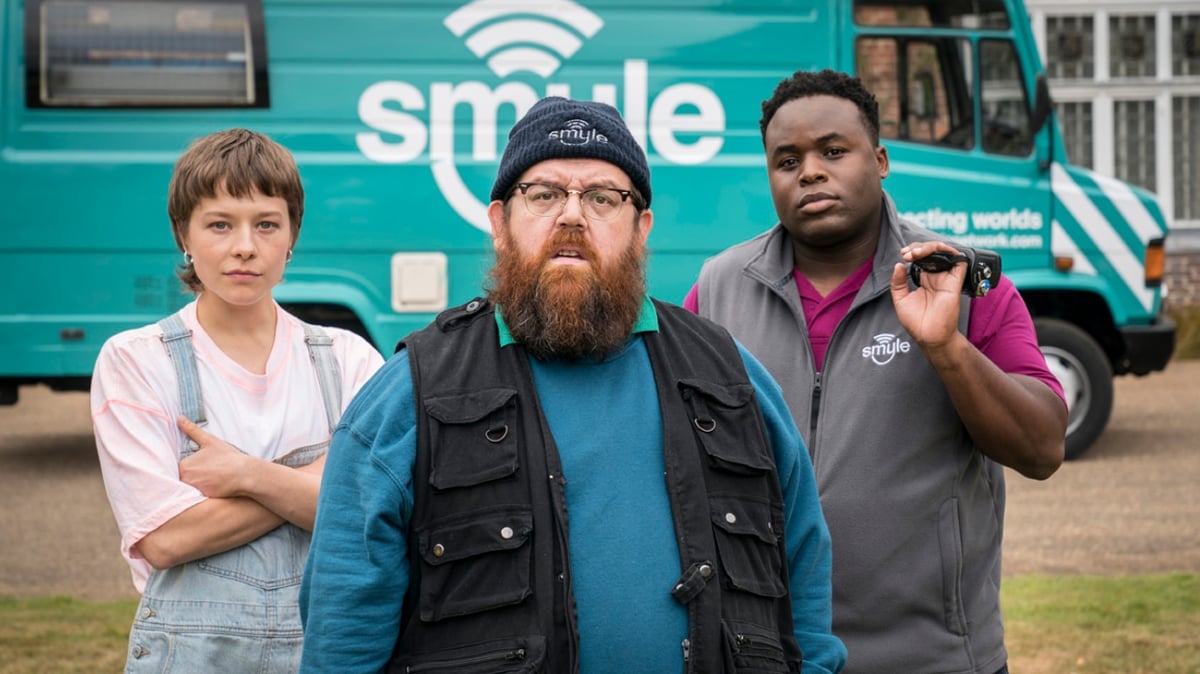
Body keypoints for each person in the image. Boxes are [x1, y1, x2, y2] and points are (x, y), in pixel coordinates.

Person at [299, 96, 848, 674]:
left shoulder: (732, 380)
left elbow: (804, 598)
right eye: (543, 194)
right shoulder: (410, 396)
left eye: (602, 198)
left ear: (641, 229)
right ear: (499, 223)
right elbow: (343, 635)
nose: (571, 215)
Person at [684, 69, 1068, 674]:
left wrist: (946, 347)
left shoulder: (960, 282)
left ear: (881, 159)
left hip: (931, 658)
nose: (810, 171)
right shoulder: (717, 291)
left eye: (834, 151)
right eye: (787, 160)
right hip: (768, 656)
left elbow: (1043, 447)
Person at [91, 128, 384, 672]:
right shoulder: (135, 361)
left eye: (266, 224)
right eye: (220, 224)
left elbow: (376, 515)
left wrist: (246, 475)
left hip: (323, 645)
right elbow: (165, 538)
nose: (245, 246)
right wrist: (318, 481)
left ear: (292, 233)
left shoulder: (349, 360)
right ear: (184, 233)